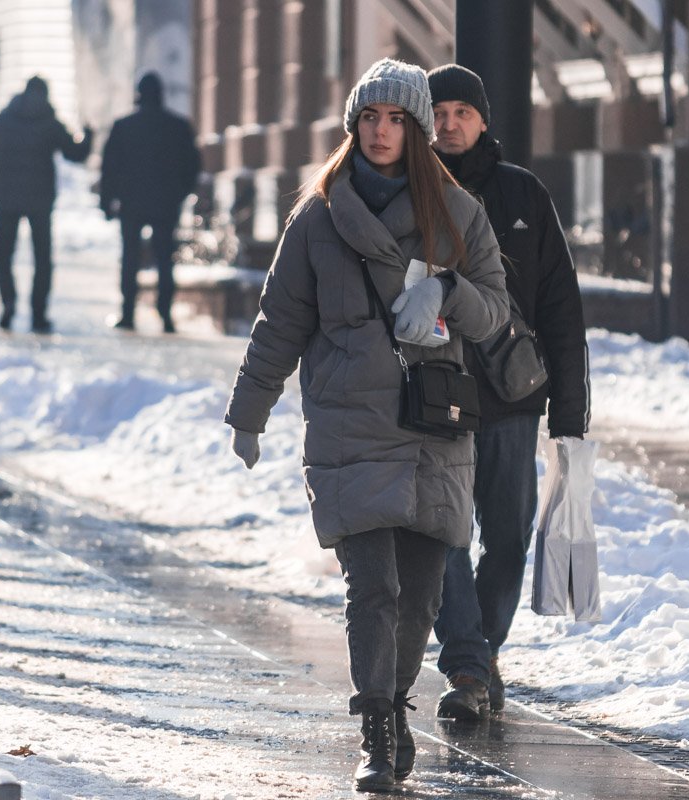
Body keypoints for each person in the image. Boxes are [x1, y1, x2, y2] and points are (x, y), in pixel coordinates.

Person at [225, 58, 508, 792]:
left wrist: (447, 288)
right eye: (370, 119)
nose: (381, 132)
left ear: (417, 130)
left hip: (432, 424)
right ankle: (377, 730)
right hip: (349, 423)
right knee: (372, 587)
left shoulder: (457, 214)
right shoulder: (319, 215)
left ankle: (395, 706)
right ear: (354, 127)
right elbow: (280, 322)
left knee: (419, 595)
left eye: (397, 120)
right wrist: (250, 411)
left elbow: (497, 312)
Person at [426, 64, 590, 721]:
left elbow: (562, 311)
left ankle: (481, 652)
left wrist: (570, 414)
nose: (449, 123)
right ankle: (467, 662)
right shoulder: (410, 193)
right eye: (438, 113)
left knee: (508, 536)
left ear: (485, 119)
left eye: (463, 111)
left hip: (512, 401)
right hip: (434, 399)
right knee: (443, 534)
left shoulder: (524, 196)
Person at [0, 76, 93, 333]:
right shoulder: (49, 123)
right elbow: (75, 153)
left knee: (4, 256)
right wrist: (88, 136)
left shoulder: (3, 119)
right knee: (42, 259)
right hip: (39, 202)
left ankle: (8, 303)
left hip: (6, 199)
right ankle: (38, 314)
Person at [99, 72, 200, 333]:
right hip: (165, 204)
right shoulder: (178, 126)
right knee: (165, 259)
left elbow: (109, 167)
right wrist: (180, 193)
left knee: (130, 259)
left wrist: (107, 201)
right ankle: (165, 315)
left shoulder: (123, 126)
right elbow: (192, 165)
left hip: (131, 203)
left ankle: (128, 313)